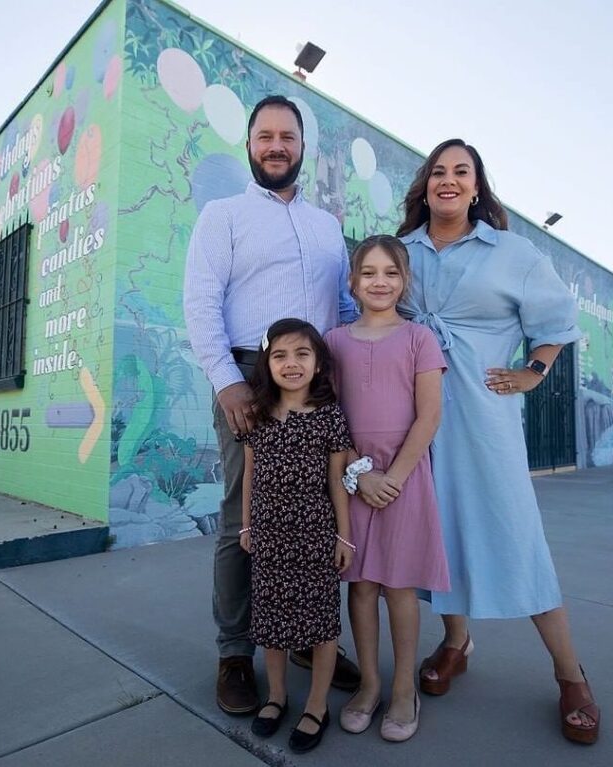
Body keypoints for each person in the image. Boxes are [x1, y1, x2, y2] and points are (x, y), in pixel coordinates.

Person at [396, 138, 601, 745]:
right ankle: (456, 643)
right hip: (414, 421)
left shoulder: (514, 252)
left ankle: (570, 675)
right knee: (438, 533)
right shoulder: (401, 251)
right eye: (439, 171)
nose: (449, 180)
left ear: (478, 186)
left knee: (516, 536)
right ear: (425, 185)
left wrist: (533, 373)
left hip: (484, 422)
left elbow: (555, 324)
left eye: (462, 171)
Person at [183, 95, 360, 716]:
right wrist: (228, 381)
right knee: (245, 515)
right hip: (249, 374)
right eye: (265, 135)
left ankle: (308, 640)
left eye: (287, 135)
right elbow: (200, 301)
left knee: (313, 513)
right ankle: (235, 652)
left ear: (302, 147)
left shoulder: (327, 227)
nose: (276, 145)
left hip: (316, 379)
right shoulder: (223, 216)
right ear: (250, 144)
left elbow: (342, 309)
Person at [324, 235, 450, 743]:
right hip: (353, 477)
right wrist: (360, 474)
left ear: (405, 281)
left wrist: (393, 478)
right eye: (369, 272)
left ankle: (403, 688)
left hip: (405, 477)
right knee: (361, 584)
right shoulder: (333, 341)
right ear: (352, 282)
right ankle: (369, 685)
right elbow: (329, 419)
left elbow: (431, 414)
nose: (380, 282)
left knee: (398, 585)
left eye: (391, 273)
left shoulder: (419, 338)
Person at [239, 318, 355, 753]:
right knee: (271, 622)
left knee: (321, 623)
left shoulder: (329, 417)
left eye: (302, 354)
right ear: (267, 364)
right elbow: (250, 475)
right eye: (280, 355)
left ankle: (317, 705)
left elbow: (338, 482)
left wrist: (344, 538)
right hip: (268, 536)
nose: (291, 364)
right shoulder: (256, 416)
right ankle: (277, 696)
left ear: (319, 364)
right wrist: (248, 525)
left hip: (315, 536)